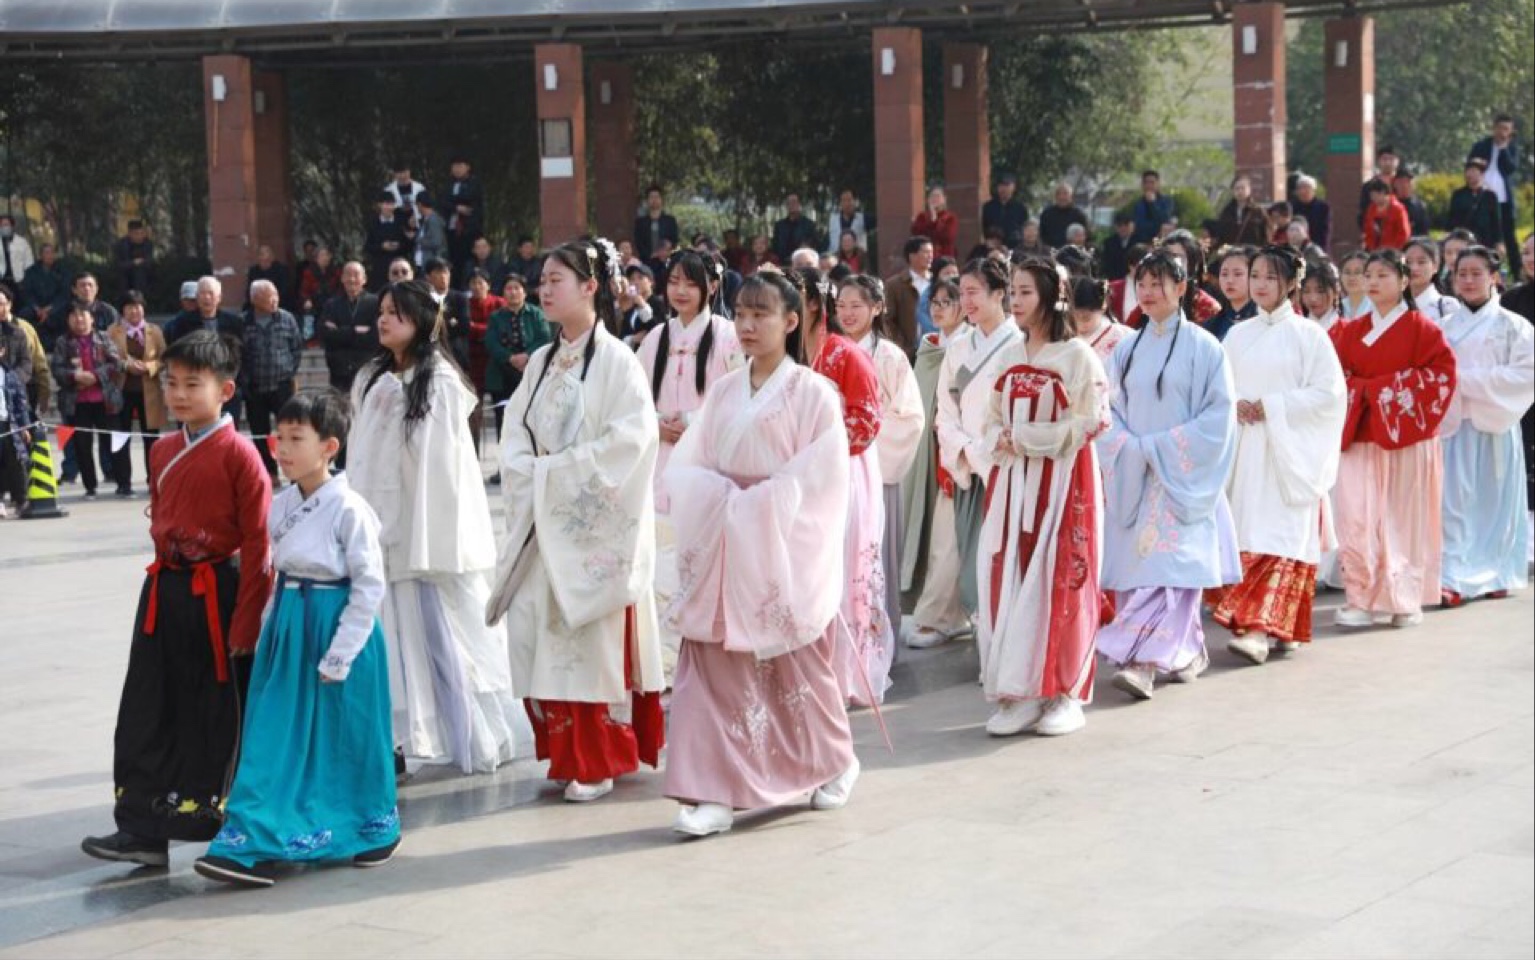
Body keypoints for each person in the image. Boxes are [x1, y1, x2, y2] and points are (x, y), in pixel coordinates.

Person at [661, 269, 860, 837]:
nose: (746, 326)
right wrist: (724, 500)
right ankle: (712, 791)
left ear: (791, 321)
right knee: (709, 667)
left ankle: (836, 760)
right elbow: (691, 463)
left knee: (793, 664)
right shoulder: (723, 389)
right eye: (741, 315)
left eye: (761, 315)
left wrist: (759, 504)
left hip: (780, 544)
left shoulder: (813, 393)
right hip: (725, 540)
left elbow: (822, 477)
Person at [80, 331, 274, 869]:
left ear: (226, 390)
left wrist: (247, 622)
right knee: (147, 706)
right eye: (172, 382)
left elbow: (260, 544)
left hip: (219, 594)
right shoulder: (163, 448)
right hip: (164, 591)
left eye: (194, 383)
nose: (179, 393)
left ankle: (218, 824)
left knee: (212, 713)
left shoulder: (242, 456)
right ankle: (141, 828)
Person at [195, 389, 399, 888]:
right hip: (289, 624)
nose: (281, 450)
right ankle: (252, 839)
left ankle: (373, 829)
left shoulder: (350, 509)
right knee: (274, 736)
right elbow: (275, 572)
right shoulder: (281, 503)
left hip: (335, 627)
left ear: (329, 447)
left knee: (346, 736)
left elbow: (370, 585)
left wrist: (342, 652)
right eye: (278, 438)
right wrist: (269, 630)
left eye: (295, 439)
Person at [489, 238, 666, 802]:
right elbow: (514, 430)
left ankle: (599, 759)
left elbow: (632, 443)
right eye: (541, 279)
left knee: (587, 641)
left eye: (556, 278)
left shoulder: (618, 362)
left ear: (591, 287)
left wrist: (557, 475)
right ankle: (566, 754)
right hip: (547, 523)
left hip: (588, 528)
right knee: (543, 634)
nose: (544, 288)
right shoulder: (541, 361)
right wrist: (532, 474)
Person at [349, 279, 522, 774]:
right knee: (386, 634)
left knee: (439, 633)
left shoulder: (441, 382)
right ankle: (396, 739)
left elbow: (445, 468)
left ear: (422, 322)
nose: (384, 320)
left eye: (396, 313)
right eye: (381, 312)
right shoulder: (371, 379)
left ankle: (472, 730)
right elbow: (360, 449)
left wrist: (426, 529)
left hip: (422, 525)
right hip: (377, 520)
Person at [1095, 250, 1240, 701]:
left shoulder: (1206, 347)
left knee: (1169, 571)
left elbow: (1220, 417)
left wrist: (1161, 448)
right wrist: (1128, 447)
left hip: (1183, 476)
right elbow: (1109, 412)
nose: (1149, 292)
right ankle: (1187, 648)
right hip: (1136, 475)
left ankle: (1142, 661)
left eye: (1160, 283)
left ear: (1182, 288)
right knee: (1146, 568)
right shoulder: (1125, 349)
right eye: (1142, 283)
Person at [979, 255, 1110, 740]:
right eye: (1012, 291)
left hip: (1063, 484)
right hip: (1014, 484)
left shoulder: (1076, 356)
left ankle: (1065, 691)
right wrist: (1003, 438)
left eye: (1025, 292)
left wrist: (1030, 438)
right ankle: (1021, 689)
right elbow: (990, 414)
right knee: (1012, 576)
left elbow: (1095, 419)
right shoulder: (1010, 355)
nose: (1015, 301)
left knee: (1061, 576)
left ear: (1052, 296)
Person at [1210, 247, 1347, 663]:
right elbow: (1219, 388)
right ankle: (1275, 626)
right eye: (1256, 276)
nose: (1260, 284)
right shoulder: (1237, 334)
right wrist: (1235, 405)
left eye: (1271, 277)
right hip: (1246, 450)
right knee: (1248, 533)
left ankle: (1258, 629)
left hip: (1289, 455)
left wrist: (1272, 405)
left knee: (1280, 534)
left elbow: (1329, 395)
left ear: (1291, 284)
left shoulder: (1310, 336)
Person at [1331, 249, 1457, 629]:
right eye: (1368, 275)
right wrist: (1364, 391)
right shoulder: (1349, 330)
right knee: (1357, 517)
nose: (1372, 281)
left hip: (1406, 438)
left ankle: (1405, 599)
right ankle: (1360, 598)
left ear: (1404, 281)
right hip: (1359, 436)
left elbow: (1441, 377)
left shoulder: (1424, 330)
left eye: (1383, 275)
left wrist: (1375, 390)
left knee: (1404, 518)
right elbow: (1333, 380)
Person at [636, 251, 743, 679]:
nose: (680, 291)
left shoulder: (728, 336)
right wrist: (654, 424)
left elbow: (739, 400)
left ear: (711, 287)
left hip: (707, 463)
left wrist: (694, 422)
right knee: (661, 563)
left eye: (690, 283)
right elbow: (635, 399)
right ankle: (665, 659)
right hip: (660, 462)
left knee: (703, 560)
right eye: (674, 282)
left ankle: (707, 654)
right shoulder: (655, 339)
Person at [794, 267, 890, 708]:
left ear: (814, 303)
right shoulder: (790, 357)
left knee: (847, 562)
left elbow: (867, 421)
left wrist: (818, 448)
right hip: (798, 476)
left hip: (845, 471)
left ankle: (850, 672)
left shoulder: (845, 354)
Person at [1439, 246, 1534, 606]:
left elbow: (1526, 374)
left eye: (1476, 273)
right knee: (1455, 503)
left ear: (1494, 277)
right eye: (1461, 273)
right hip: (1455, 427)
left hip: (1495, 424)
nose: (1468, 280)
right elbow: (1434, 376)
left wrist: (1465, 382)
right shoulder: (1444, 328)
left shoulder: (1514, 326)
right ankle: (1453, 577)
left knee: (1496, 505)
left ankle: (1495, 572)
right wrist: (1456, 387)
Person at [839, 275, 925, 654]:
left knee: (877, 554)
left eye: (856, 305)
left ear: (876, 308)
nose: (848, 313)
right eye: (841, 305)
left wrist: (865, 445)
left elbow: (909, 416)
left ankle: (878, 639)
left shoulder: (890, 356)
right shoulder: (831, 350)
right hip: (837, 465)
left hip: (874, 464)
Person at [937, 258, 1024, 620]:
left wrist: (989, 449)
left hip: (1008, 465)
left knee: (1010, 560)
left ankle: (1009, 647)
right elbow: (945, 410)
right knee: (974, 564)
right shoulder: (958, 347)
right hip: (970, 468)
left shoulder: (1021, 344)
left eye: (973, 292)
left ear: (999, 293)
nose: (966, 302)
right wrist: (969, 451)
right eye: (962, 294)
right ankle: (985, 643)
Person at [903, 276, 973, 648]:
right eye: (935, 302)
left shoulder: (968, 345)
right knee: (935, 532)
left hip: (959, 449)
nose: (940, 308)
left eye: (949, 301)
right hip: (928, 449)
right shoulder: (929, 347)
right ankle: (943, 613)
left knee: (952, 537)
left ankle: (944, 614)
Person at [50, 303, 124, 500]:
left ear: (92, 318)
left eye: (83, 315)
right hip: (78, 402)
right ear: (68, 320)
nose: (79, 319)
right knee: (82, 445)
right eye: (74, 316)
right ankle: (90, 486)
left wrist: (95, 376)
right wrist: (75, 376)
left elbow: (116, 363)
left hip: (105, 400)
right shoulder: (63, 342)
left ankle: (122, 483)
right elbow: (56, 369)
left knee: (113, 442)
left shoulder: (103, 338)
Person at [240, 279, 305, 482]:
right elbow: (239, 354)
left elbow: (296, 348)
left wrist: (289, 370)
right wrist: (245, 380)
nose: (274, 300)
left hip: (282, 386)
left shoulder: (287, 319)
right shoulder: (244, 323)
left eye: (275, 295)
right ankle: (269, 472)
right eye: (269, 296)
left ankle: (295, 473)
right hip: (255, 387)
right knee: (259, 432)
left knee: (290, 430)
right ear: (255, 300)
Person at [107, 292, 167, 497]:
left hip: (148, 392)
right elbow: (107, 358)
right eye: (130, 307)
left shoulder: (154, 331)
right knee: (120, 437)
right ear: (122, 310)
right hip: (122, 391)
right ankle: (123, 482)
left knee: (151, 439)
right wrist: (126, 365)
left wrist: (149, 366)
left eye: (138, 306)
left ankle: (154, 481)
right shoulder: (112, 332)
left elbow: (163, 358)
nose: (134, 311)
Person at [485, 273, 552, 440]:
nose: (513, 292)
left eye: (517, 288)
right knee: (504, 419)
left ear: (524, 292)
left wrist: (527, 355)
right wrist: (510, 358)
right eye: (509, 288)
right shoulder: (495, 317)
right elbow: (491, 342)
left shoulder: (536, 314)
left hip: (530, 372)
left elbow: (544, 338)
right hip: (502, 375)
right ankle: (503, 463)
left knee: (530, 418)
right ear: (503, 293)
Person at [1468, 114, 1521, 279]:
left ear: (1511, 131)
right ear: (1494, 128)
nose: (1502, 133)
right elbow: (1471, 165)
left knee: (1509, 238)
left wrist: (1503, 149)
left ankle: (1518, 274)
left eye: (1506, 129)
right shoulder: (1481, 146)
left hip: (1504, 200)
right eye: (1499, 128)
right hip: (1484, 198)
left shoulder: (1511, 148)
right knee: (1484, 235)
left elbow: (1511, 168)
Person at [318, 262, 380, 395]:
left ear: (364, 279)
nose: (351, 279)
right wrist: (355, 331)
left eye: (356, 275)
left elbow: (374, 338)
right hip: (339, 372)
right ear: (342, 279)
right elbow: (325, 335)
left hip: (367, 370)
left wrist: (339, 331)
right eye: (348, 275)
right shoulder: (331, 305)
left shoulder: (375, 303)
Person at [0, 286, 49, 415]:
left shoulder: (24, 328)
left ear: (9, 304)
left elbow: (39, 363)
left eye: (2, 304)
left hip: (23, 391)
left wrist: (45, 393)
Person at [883, 236, 933, 360]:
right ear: (912, 256)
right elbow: (887, 319)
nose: (930, 256)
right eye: (926, 252)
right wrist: (902, 346)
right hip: (908, 352)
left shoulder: (937, 283)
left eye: (931, 252)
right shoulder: (894, 285)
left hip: (935, 348)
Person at [423, 256, 472, 371]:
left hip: (456, 354)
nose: (443, 277)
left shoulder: (460, 298)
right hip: (430, 353)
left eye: (446, 272)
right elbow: (424, 326)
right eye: (438, 273)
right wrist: (450, 323)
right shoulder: (423, 299)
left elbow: (464, 327)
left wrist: (438, 326)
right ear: (428, 277)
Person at [0, 335, 29, 519]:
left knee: (15, 461)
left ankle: (21, 500)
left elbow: (20, 403)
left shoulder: (9, 374)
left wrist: (24, 426)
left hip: (8, 423)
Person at [1448, 158, 1505, 251]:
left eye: (1473, 171)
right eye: (1467, 171)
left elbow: (1496, 221)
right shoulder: (1458, 194)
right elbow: (1451, 218)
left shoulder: (1490, 195)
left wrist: (1499, 242)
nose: (1469, 174)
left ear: (1482, 174)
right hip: (1463, 240)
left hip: (1485, 241)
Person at [1072, 275, 1131, 364]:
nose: (1079, 323)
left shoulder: (1125, 337)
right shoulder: (1059, 338)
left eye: (1086, 318)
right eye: (1073, 317)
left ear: (1103, 305)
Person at [165, 276, 240, 345]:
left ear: (219, 298)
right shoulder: (182, 323)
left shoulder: (233, 323)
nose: (207, 297)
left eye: (211, 293)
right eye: (202, 293)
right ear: (197, 297)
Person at [1207, 245, 1258, 342]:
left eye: (1238, 274)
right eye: (1224, 274)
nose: (1229, 280)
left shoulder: (1266, 321)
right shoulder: (1212, 325)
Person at [445, 156, 485, 279]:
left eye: (460, 166)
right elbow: (443, 202)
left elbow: (472, 201)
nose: (457, 169)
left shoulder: (474, 183)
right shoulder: (448, 184)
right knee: (453, 262)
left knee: (468, 261)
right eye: (455, 166)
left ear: (468, 167)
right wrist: (456, 207)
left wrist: (455, 202)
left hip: (469, 230)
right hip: (451, 230)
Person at [1404, 238, 1459, 323]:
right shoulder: (1390, 305)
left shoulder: (1447, 306)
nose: (1413, 268)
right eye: (1408, 262)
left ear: (1435, 266)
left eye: (1421, 262)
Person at [20, 242, 65, 335]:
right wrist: (37, 308)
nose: (50, 255)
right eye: (46, 252)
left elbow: (64, 294)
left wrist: (49, 309)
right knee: (24, 314)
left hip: (54, 307)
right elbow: (27, 293)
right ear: (40, 255)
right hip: (35, 307)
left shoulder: (62, 271)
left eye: (52, 253)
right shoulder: (30, 272)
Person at [1213, 176, 1270, 248]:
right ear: (1233, 191)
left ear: (1249, 189)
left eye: (1243, 188)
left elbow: (1266, 235)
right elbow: (1220, 234)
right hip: (1231, 253)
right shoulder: (1226, 211)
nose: (1240, 191)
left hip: (1253, 252)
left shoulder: (1258, 211)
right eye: (1237, 188)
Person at [297, 247, 341, 334]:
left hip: (332, 299)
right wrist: (307, 300)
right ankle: (309, 337)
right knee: (308, 309)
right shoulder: (309, 272)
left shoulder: (336, 271)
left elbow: (340, 288)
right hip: (315, 300)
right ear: (316, 258)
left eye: (327, 255)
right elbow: (304, 290)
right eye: (322, 255)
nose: (325, 258)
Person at [1357, 145, 1402, 230]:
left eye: (1391, 159)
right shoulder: (1368, 186)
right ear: (1379, 161)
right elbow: (1363, 212)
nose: (1388, 163)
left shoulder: (1403, 184)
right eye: (1384, 159)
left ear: (1397, 161)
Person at [633, 185, 681, 263]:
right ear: (647, 200)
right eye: (651, 197)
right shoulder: (640, 222)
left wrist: (664, 253)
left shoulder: (670, 221)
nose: (654, 200)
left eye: (657, 197)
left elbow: (674, 240)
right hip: (646, 261)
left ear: (661, 200)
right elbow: (638, 242)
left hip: (666, 260)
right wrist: (650, 255)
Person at [982, 173, 1030, 249]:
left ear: (1013, 187)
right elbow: (985, 228)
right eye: (1001, 185)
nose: (1003, 188)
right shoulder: (988, 207)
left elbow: (1024, 229)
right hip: (993, 248)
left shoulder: (1020, 208)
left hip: (1015, 248)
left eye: (1007, 185)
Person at [1362, 179, 1411, 252]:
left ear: (1382, 193)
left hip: (1393, 252)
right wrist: (1371, 247)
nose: (1372, 199)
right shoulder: (1371, 209)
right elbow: (1368, 230)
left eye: (1374, 196)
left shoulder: (1398, 209)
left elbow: (1404, 233)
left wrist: (1394, 250)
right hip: (1374, 251)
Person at [911, 186, 959, 260]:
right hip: (925, 257)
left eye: (938, 196)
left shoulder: (950, 217)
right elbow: (918, 235)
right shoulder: (922, 217)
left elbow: (948, 237)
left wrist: (934, 222)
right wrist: (932, 220)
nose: (935, 199)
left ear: (944, 199)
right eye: (932, 196)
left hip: (944, 257)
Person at [1038, 182, 1089, 250]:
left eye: (1065, 194)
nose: (1062, 197)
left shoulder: (1079, 215)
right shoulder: (1046, 213)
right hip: (1050, 253)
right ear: (1055, 197)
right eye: (1059, 194)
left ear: (1071, 196)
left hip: (1073, 253)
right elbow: (1041, 235)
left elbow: (1086, 237)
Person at [245, 245, 295, 314]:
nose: (262, 258)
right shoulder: (253, 271)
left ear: (272, 257)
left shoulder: (281, 270)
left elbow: (284, 290)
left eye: (264, 254)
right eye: (260, 254)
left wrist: (270, 301)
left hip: (279, 304)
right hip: (258, 305)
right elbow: (250, 291)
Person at [770, 194, 818, 264]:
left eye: (794, 202)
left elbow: (814, 243)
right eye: (788, 203)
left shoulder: (809, 224)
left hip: (801, 262)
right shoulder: (779, 225)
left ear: (799, 204)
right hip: (782, 262)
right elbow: (775, 245)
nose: (791, 205)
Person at [1301, 257, 1345, 333]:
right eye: (1306, 291)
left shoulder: (1348, 330)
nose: (1313, 298)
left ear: (1335, 292)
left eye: (1320, 291)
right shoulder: (1297, 330)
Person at [1131, 170, 1175, 245]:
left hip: (1160, 241)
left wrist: (1152, 203)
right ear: (1142, 185)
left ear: (1158, 184)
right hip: (1143, 242)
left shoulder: (1166, 201)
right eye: (1146, 182)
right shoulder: (1138, 204)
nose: (1149, 185)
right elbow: (1139, 225)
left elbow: (1164, 220)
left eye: (1152, 182)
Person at [1289, 175, 1331, 251]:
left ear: (1313, 191)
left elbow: (1325, 230)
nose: (1302, 191)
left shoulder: (1323, 207)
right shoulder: (1292, 207)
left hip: (1317, 246)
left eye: (1306, 188)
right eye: (1300, 188)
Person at [112, 220, 153, 299]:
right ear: (130, 233)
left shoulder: (147, 244)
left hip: (142, 276)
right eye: (136, 234)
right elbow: (117, 264)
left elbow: (149, 261)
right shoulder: (121, 245)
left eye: (142, 233)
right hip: (125, 276)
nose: (140, 236)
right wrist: (133, 263)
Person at [0, 214, 35, 300]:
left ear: (12, 226)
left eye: (6, 225)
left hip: (19, 282)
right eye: (1, 225)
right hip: (2, 281)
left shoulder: (22, 242)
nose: (4, 227)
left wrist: (25, 281)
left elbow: (29, 264)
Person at [826, 188, 869, 255]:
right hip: (836, 258)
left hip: (857, 259)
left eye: (849, 200)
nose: (846, 204)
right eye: (843, 200)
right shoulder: (832, 219)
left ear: (855, 201)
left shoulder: (863, 218)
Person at [1392, 170, 1433, 239]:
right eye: (1401, 182)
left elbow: (1425, 232)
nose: (1404, 185)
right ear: (1395, 184)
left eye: (1408, 181)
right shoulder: (1389, 204)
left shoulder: (1420, 206)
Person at [413, 195, 448, 268]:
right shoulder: (425, 219)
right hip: (423, 263)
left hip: (431, 263)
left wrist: (418, 239)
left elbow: (436, 242)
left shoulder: (433, 220)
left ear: (419, 205)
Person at [1339, 250, 1371, 320]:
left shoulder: (1377, 306)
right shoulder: (1337, 307)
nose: (1351, 278)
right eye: (1347, 272)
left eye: (1357, 272)